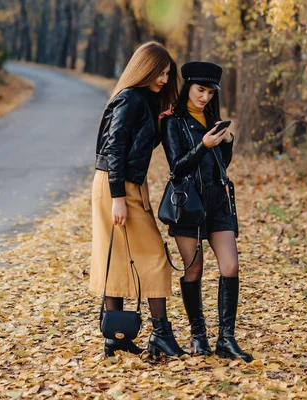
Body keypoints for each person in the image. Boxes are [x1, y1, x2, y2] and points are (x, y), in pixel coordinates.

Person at [89, 41, 185, 358]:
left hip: (128, 186)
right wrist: (118, 197)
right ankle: (161, 334)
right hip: (116, 187)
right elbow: (114, 150)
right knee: (155, 257)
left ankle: (115, 338)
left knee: (118, 259)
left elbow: (136, 147)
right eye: (160, 72)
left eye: (168, 73)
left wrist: (160, 126)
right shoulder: (130, 99)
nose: (164, 78)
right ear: (145, 68)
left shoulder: (143, 101)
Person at [161, 61, 253, 362]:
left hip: (217, 200)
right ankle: (198, 335)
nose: (205, 98)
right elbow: (177, 166)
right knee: (194, 269)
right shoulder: (172, 120)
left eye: (210, 93)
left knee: (231, 266)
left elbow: (221, 164)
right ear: (188, 87)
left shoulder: (213, 118)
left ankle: (226, 339)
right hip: (187, 202)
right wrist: (202, 145)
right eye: (200, 91)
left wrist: (226, 143)